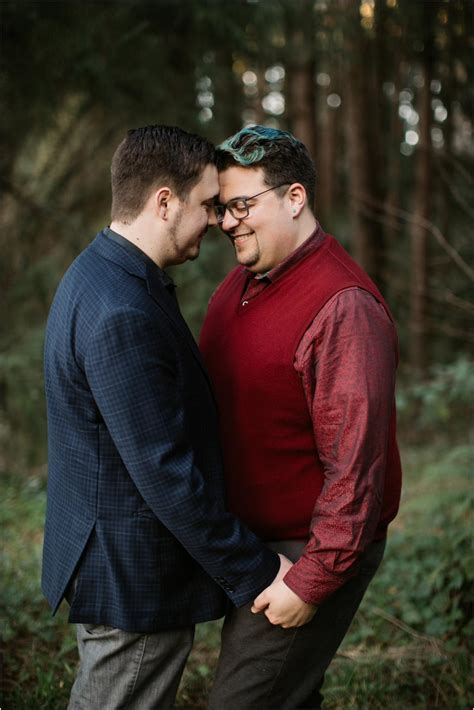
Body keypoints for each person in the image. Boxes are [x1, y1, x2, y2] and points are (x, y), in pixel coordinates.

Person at [42, 125, 289, 710]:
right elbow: (165, 473)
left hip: (109, 555)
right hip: (134, 578)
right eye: (206, 204)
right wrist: (255, 570)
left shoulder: (98, 271)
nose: (216, 221)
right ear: (163, 201)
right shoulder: (123, 309)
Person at [199, 125, 403, 709]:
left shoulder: (343, 309)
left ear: (295, 197)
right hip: (254, 545)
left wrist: (313, 579)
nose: (227, 221)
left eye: (242, 204)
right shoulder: (241, 284)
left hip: (310, 546)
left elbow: (358, 467)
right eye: (221, 208)